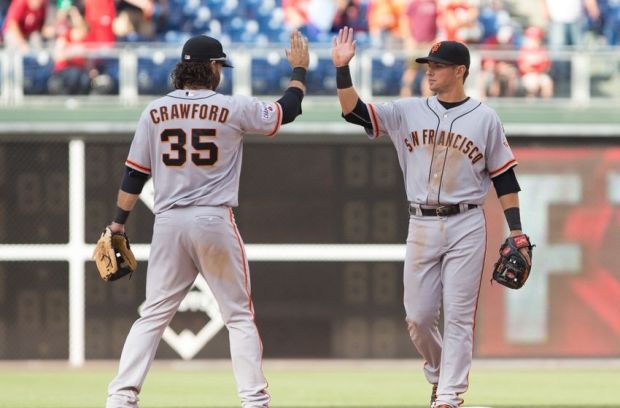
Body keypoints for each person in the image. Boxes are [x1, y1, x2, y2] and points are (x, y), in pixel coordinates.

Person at [103, 31, 309, 408]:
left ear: (183, 68)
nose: (221, 72)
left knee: (151, 316)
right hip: (213, 219)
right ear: (212, 67)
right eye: (220, 66)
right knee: (238, 316)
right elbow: (287, 110)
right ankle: (254, 401)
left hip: (167, 223)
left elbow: (134, 174)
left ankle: (120, 397)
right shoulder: (231, 107)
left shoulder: (154, 111)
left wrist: (117, 224)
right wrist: (299, 70)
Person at [331, 27, 530, 408]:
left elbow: (504, 176)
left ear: (460, 70)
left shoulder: (485, 118)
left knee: (458, 317)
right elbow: (353, 111)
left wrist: (517, 229)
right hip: (421, 223)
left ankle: (449, 397)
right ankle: (440, 374)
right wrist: (343, 70)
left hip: (466, 223)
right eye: (429, 65)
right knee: (418, 317)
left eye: (438, 65)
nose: (430, 71)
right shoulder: (408, 110)